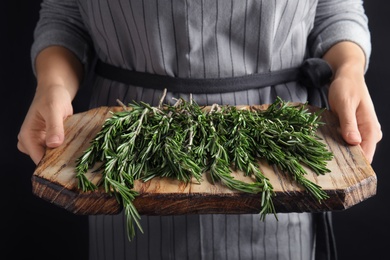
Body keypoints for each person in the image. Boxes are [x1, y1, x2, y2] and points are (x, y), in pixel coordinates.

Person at [17, 0, 382, 259]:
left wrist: (348, 68)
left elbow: (335, 9)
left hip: (276, 145)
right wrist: (53, 85)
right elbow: (66, 15)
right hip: (134, 141)